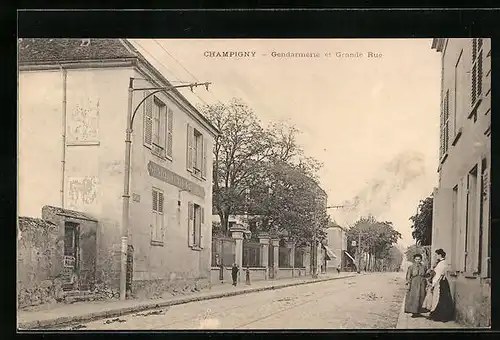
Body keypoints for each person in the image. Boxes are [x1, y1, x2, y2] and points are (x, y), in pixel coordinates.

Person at [428, 249, 455, 322]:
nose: (436, 256)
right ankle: (436, 314)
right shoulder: (441, 262)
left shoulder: (442, 263)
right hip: (441, 281)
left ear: (440, 255)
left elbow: (438, 274)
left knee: (440, 298)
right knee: (439, 298)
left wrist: (433, 284)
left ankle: (441, 316)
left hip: (440, 282)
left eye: (436, 254)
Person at [404, 253, 427, 318]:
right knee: (414, 297)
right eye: (416, 259)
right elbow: (408, 276)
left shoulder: (424, 266)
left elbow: (426, 275)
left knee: (421, 296)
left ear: (421, 260)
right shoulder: (411, 267)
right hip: (414, 283)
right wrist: (408, 283)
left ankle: (419, 312)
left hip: (422, 283)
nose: (418, 260)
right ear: (414, 260)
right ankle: (414, 312)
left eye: (419, 259)